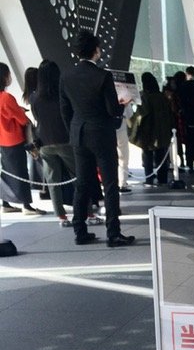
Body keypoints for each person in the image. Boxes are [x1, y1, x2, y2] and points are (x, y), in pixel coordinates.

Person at [59, 30, 134, 247]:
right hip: (101, 134)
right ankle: (113, 233)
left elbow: (65, 110)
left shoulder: (66, 76)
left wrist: (74, 130)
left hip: (79, 134)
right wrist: (123, 104)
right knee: (109, 184)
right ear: (96, 50)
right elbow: (112, 110)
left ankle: (80, 231)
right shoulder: (103, 76)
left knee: (82, 184)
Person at [31, 59, 102, 227]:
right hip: (66, 141)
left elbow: (37, 118)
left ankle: (61, 217)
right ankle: (88, 213)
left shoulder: (35, 98)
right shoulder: (63, 93)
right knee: (79, 177)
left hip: (45, 143)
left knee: (53, 182)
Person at [0, 62, 45, 214]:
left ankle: (6, 202)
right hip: (14, 138)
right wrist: (25, 117)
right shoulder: (6, 97)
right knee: (20, 172)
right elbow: (20, 119)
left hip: (2, 139)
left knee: (7, 172)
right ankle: (26, 205)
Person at [129, 72, 173, 186]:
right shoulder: (161, 96)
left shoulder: (144, 96)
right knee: (161, 154)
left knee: (147, 154)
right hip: (162, 130)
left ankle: (149, 178)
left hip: (148, 130)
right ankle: (162, 179)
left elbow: (141, 114)